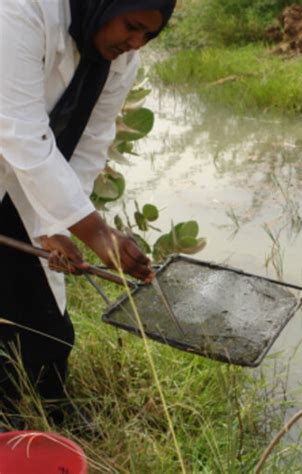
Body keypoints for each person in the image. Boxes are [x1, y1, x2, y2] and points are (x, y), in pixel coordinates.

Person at [0, 0, 176, 431]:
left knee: (46, 320)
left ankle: (52, 409)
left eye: (149, 36)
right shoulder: (23, 12)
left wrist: (57, 226)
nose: (135, 43)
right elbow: (18, 131)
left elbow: (91, 140)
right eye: (132, 26)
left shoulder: (119, 58)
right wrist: (97, 232)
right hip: (17, 150)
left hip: (32, 180)